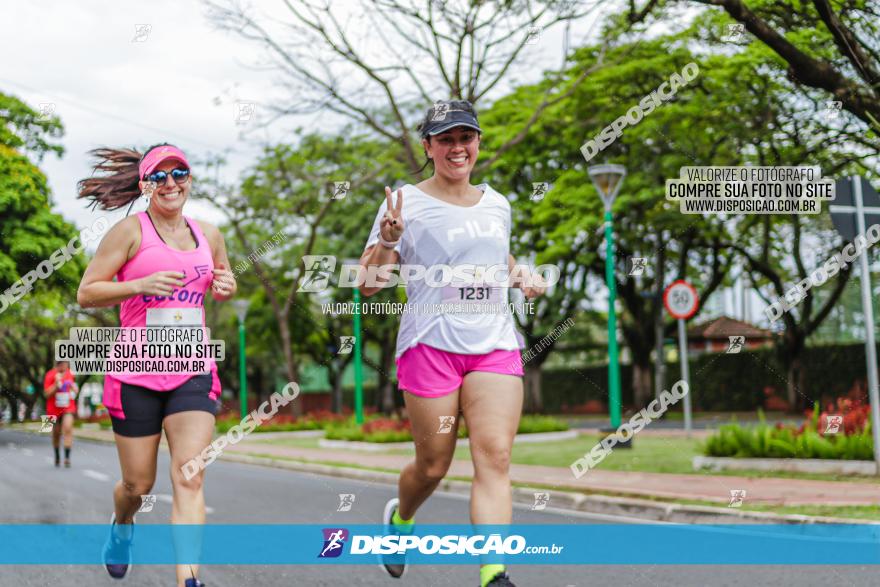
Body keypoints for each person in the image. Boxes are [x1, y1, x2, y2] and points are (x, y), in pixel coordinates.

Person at [358, 100, 546, 587]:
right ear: (429, 146)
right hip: (430, 346)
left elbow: (496, 258)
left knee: (495, 456)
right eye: (445, 139)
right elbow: (368, 284)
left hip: (494, 343)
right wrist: (387, 240)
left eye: (466, 137)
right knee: (433, 463)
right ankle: (401, 520)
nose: (457, 147)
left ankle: (493, 572)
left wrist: (521, 275)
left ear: (478, 142)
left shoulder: (497, 203)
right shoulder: (403, 203)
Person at [77, 143, 236, 587]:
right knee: (137, 486)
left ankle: (189, 580)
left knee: (190, 474)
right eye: (159, 176)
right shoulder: (129, 232)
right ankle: (122, 526)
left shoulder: (210, 233)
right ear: (145, 184)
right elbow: (87, 292)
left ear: (190, 179)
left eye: (179, 173)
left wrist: (226, 284)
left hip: (191, 367)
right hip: (135, 373)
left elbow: (222, 278)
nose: (171, 183)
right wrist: (140, 284)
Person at [43, 360, 78, 467]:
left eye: (66, 363)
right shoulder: (50, 374)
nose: (64, 365)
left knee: (68, 428)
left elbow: (75, 390)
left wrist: (74, 388)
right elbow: (46, 394)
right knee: (55, 434)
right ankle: (57, 455)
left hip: (68, 407)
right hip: (52, 410)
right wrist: (56, 385)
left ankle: (67, 458)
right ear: (57, 364)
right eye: (61, 363)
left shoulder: (70, 374)